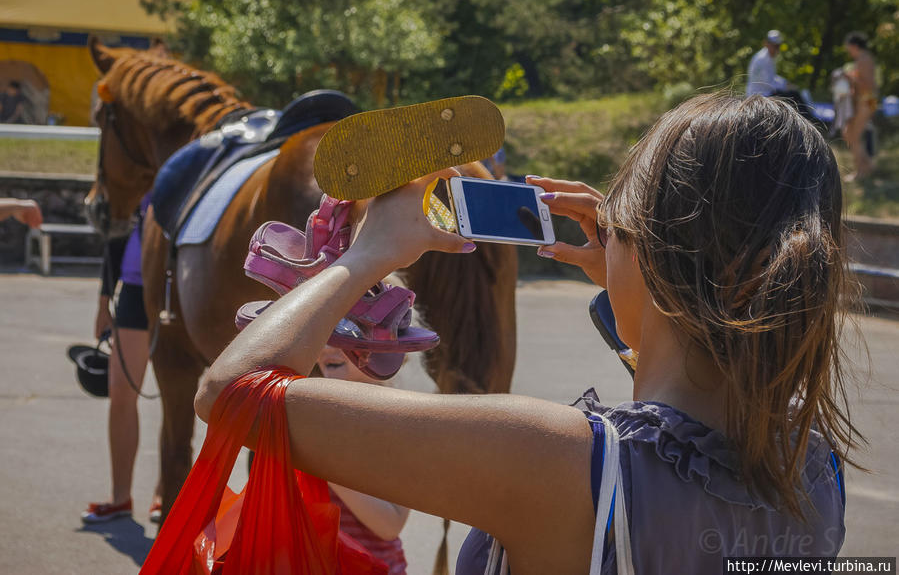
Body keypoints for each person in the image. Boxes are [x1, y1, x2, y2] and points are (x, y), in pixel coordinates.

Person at [195, 93, 852, 573]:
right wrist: (635, 281)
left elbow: (230, 392)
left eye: (616, 225)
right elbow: (692, 419)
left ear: (646, 258)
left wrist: (363, 258)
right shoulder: (813, 470)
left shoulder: (555, 460)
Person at [82, 194, 162, 524]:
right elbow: (113, 242)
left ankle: (165, 493)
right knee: (120, 393)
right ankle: (120, 497)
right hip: (133, 286)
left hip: (176, 288)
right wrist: (104, 302)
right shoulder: (132, 180)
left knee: (178, 397)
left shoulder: (191, 161)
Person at [316, 345, 410, 575]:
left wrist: (327, 469)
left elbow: (390, 525)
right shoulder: (311, 410)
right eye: (323, 332)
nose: (327, 347)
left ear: (387, 350)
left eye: (346, 335)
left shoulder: (397, 423)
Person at [746, 31, 820, 124]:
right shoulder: (761, 60)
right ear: (767, 44)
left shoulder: (768, 57)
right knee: (793, 96)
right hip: (760, 94)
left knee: (794, 94)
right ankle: (808, 121)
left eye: (778, 46)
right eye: (775, 46)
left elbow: (772, 77)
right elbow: (766, 83)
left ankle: (807, 120)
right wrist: (786, 86)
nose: (777, 49)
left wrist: (785, 83)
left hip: (765, 92)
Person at [841, 31, 878, 181]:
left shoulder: (864, 60)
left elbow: (869, 85)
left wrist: (851, 78)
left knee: (853, 136)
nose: (848, 51)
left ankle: (861, 172)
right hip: (863, 101)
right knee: (848, 133)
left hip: (868, 101)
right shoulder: (861, 59)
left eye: (849, 48)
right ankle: (868, 166)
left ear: (854, 46)